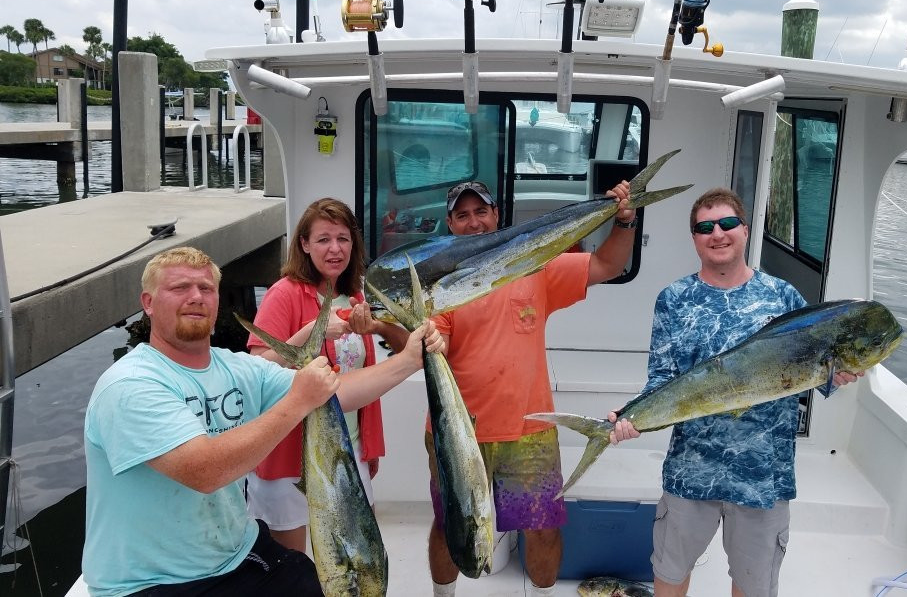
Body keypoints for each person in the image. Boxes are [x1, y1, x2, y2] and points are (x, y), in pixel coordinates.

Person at [81, 246, 444, 596]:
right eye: (180, 288)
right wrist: (298, 402)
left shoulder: (234, 368)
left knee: (309, 580)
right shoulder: (131, 384)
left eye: (206, 288)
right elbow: (204, 471)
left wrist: (410, 360)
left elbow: (337, 394)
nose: (196, 297)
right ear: (148, 303)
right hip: (152, 582)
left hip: (236, 557)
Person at [608, 187, 861, 597]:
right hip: (691, 470)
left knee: (753, 585)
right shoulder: (674, 300)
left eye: (727, 223)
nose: (717, 234)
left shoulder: (784, 297)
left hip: (763, 476)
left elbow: (813, 371)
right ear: (694, 238)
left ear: (744, 230)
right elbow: (662, 377)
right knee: (670, 574)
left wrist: (838, 374)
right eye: (705, 227)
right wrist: (633, 413)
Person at [428, 177, 638, 596]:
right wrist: (431, 340)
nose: (474, 223)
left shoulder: (534, 265)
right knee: (451, 528)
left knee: (542, 531)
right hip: (458, 433)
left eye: (481, 212)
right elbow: (440, 339)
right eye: (463, 216)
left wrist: (625, 222)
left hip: (530, 429)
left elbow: (607, 266)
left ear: (496, 215)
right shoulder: (441, 281)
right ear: (451, 225)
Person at [246, 197, 412, 551]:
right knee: (295, 570)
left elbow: (397, 354)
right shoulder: (283, 294)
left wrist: (379, 326)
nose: (335, 248)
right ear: (304, 245)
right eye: (323, 239)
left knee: (350, 557)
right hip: (291, 460)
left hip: (350, 454)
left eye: (343, 239)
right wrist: (309, 333)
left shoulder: (354, 295)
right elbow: (256, 371)